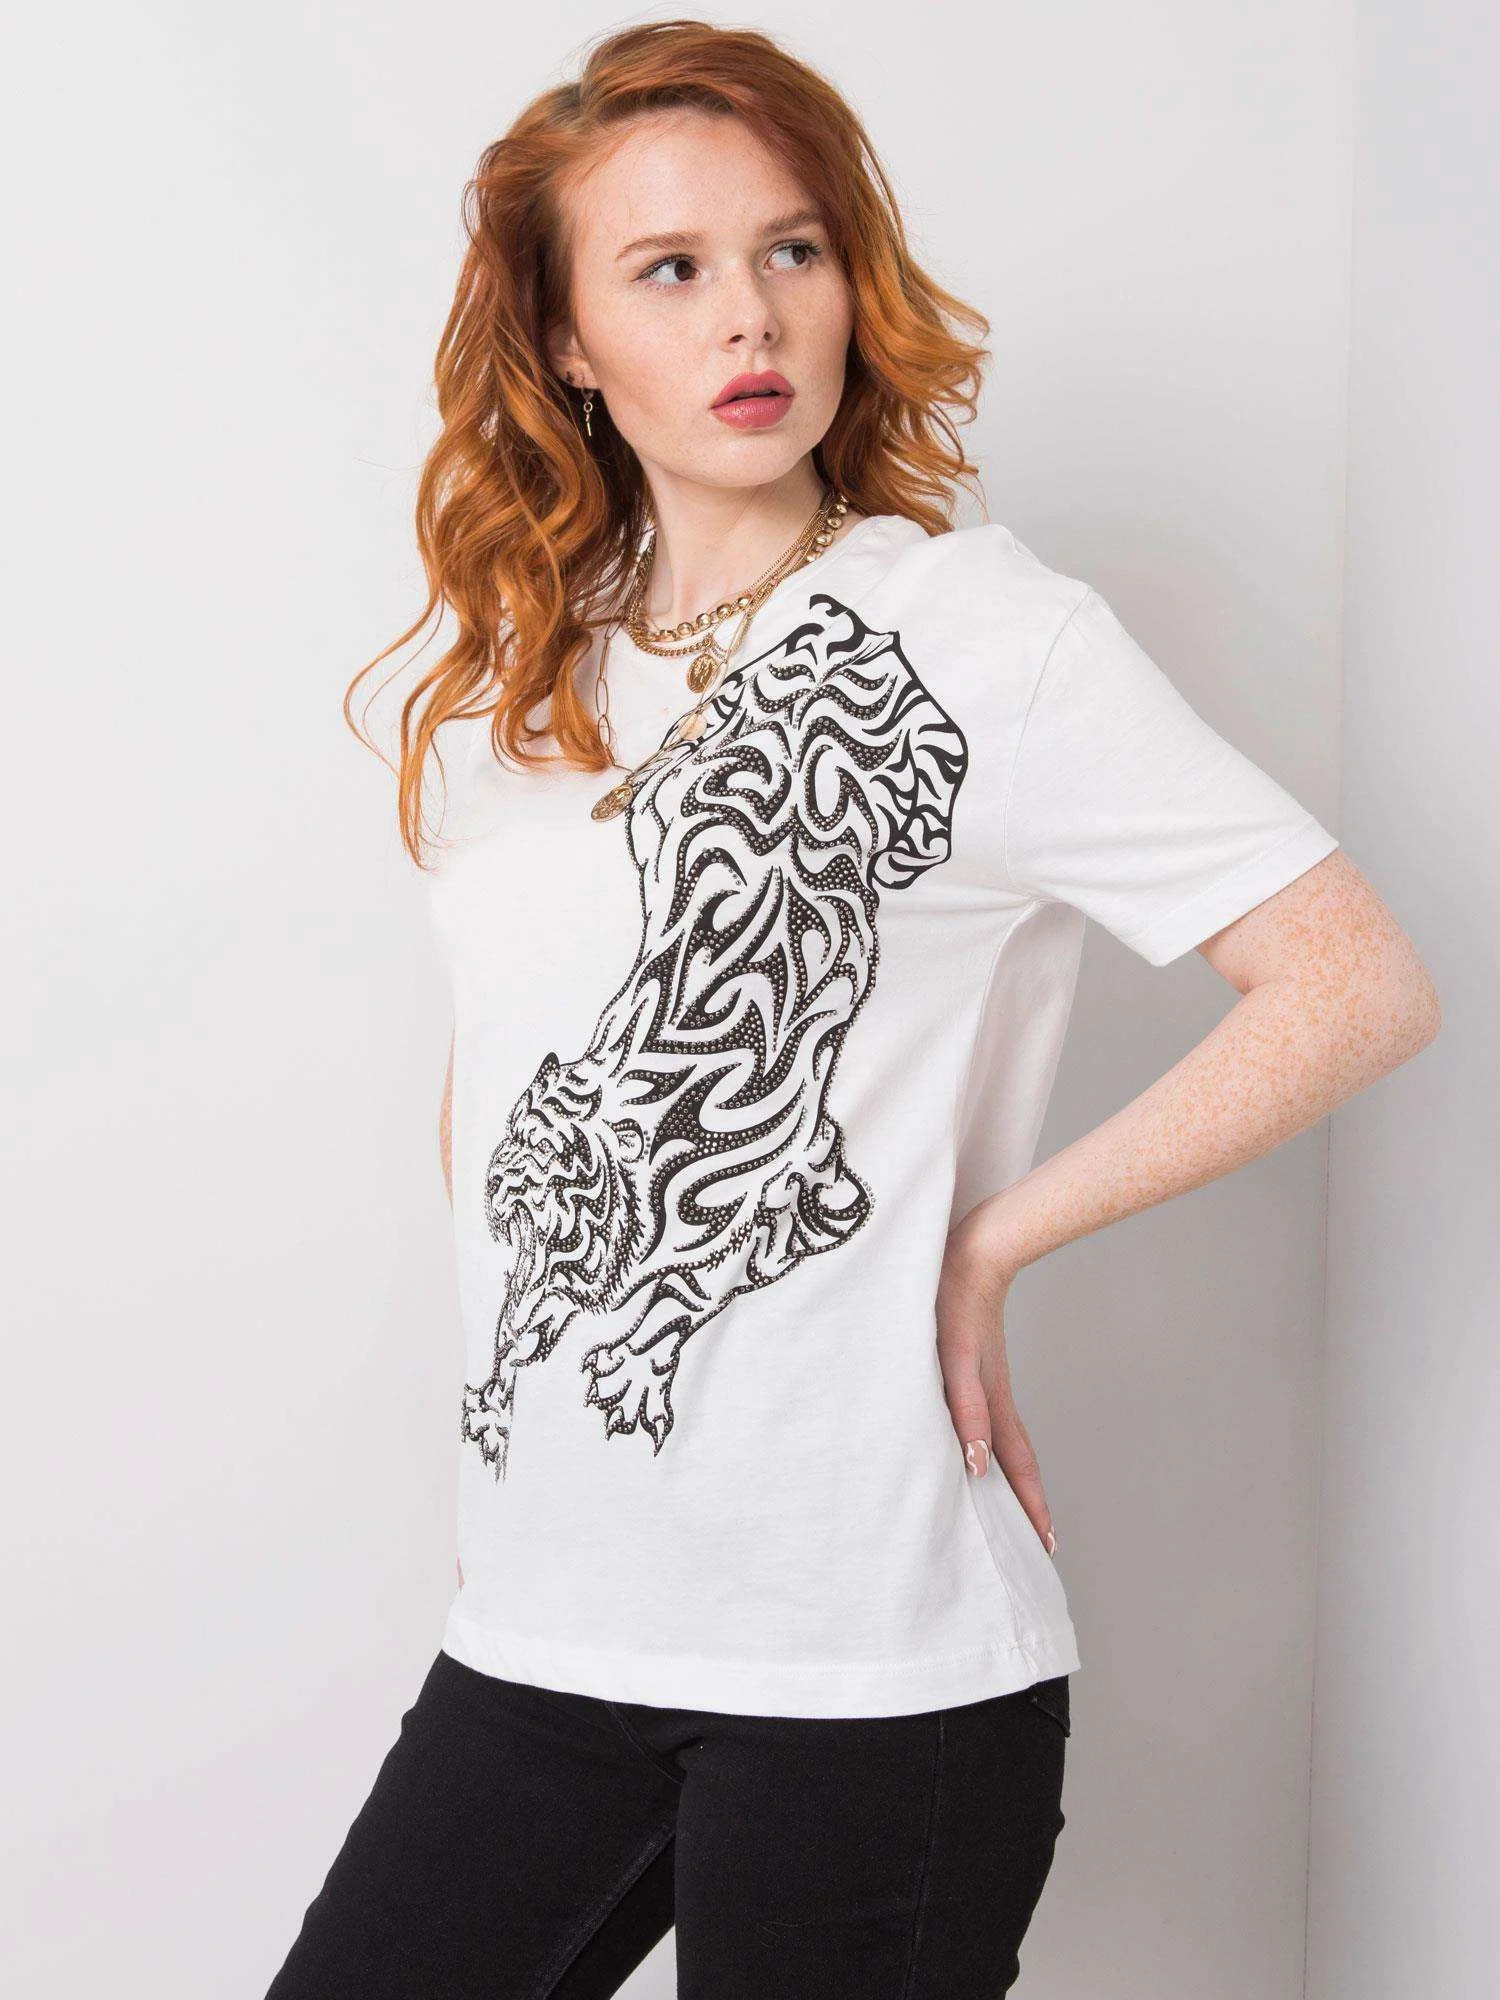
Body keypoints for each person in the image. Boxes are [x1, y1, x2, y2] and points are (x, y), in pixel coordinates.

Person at [265, 20, 1441, 2000]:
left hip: (873, 1670)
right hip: (547, 1641)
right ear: (566, 342)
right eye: (670, 269)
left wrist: (989, 1240)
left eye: (791, 249)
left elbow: (1352, 980)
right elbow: (500, 1079)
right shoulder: (517, 690)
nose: (751, 314)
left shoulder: (985, 638)